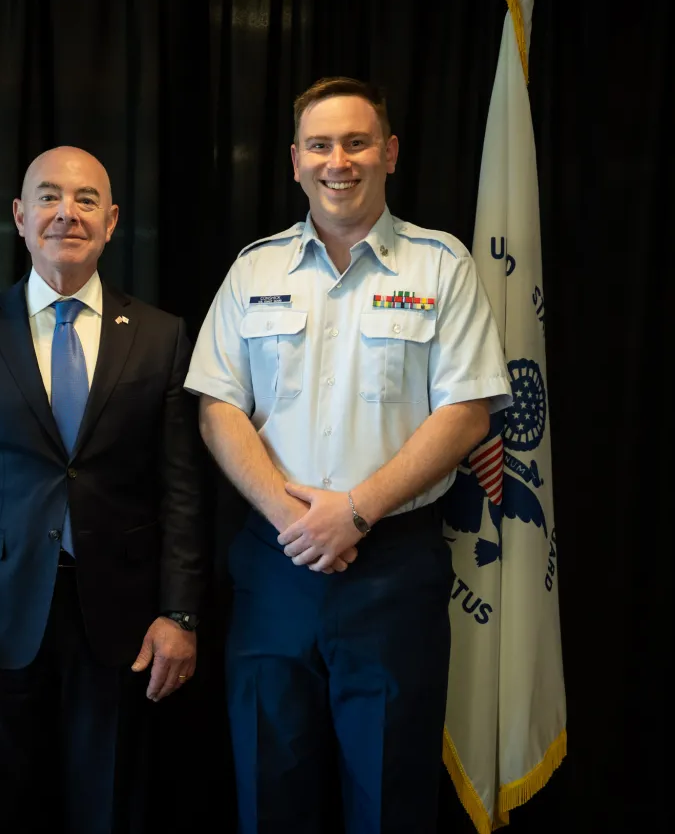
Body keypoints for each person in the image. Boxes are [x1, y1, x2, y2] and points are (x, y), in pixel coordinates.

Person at [184, 77, 514, 832]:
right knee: (270, 796)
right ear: (295, 161)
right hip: (274, 568)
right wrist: (294, 518)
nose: (341, 161)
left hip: (393, 575)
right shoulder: (254, 269)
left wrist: (356, 514)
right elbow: (216, 408)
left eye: (358, 142)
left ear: (389, 153)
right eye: (322, 145)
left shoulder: (443, 267)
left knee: (391, 796)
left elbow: (464, 414)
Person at [0, 146, 206, 833]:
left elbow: (183, 490)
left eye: (85, 200)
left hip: (124, 625)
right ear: (19, 216)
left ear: (111, 222)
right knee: (6, 811)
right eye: (47, 197)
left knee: (110, 808)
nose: (65, 213)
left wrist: (181, 614)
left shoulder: (162, 337)